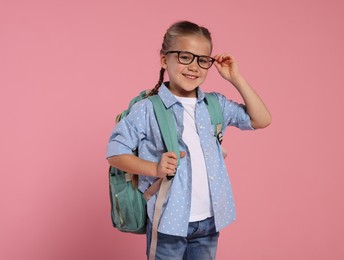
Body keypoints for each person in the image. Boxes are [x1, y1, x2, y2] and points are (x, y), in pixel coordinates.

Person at [106, 20, 271, 260]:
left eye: (202, 60)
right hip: (167, 222)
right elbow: (115, 152)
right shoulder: (147, 109)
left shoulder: (215, 105)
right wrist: (154, 168)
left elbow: (261, 119)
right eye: (185, 57)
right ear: (165, 60)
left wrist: (235, 78)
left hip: (209, 221)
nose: (194, 66)